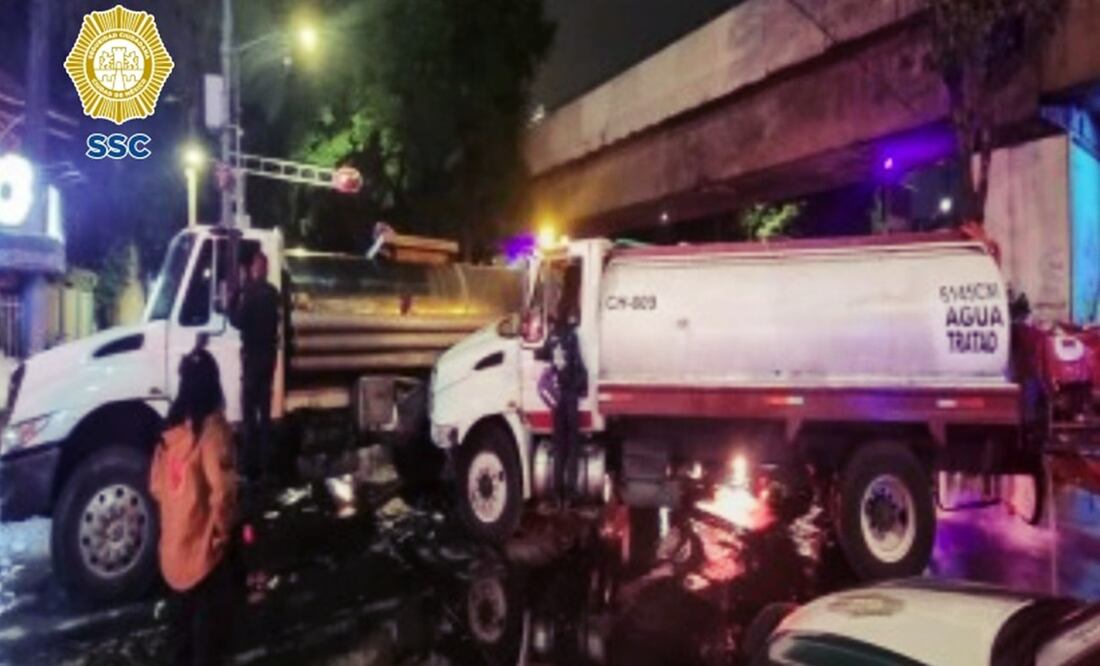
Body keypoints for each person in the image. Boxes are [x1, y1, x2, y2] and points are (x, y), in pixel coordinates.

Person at [150, 339, 238, 665]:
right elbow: (223, 493)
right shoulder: (213, 430)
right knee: (210, 642)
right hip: (203, 560)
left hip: (171, 557)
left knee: (180, 640)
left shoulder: (168, 433)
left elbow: (157, 488)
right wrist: (221, 535)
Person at [538, 264, 588, 501]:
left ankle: (557, 490)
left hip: (557, 398)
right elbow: (578, 364)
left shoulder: (553, 337)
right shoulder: (571, 337)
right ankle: (570, 490)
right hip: (569, 397)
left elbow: (542, 354)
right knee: (573, 445)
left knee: (559, 445)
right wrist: (583, 385)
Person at [230, 251, 280, 482]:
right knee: (266, 418)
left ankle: (251, 470)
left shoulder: (249, 293)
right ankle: (268, 467)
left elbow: (237, 322)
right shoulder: (273, 294)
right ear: (266, 270)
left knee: (249, 418)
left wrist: (235, 293)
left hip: (252, 362)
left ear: (254, 269)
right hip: (268, 361)